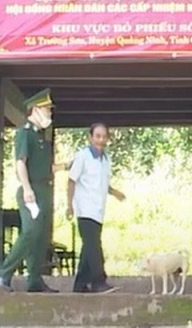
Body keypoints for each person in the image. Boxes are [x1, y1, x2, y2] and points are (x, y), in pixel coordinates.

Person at [0, 89, 56, 293]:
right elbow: (20, 163)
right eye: (46, 109)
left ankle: (35, 279)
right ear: (36, 109)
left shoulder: (42, 137)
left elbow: (46, 167)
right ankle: (4, 273)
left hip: (44, 188)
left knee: (40, 236)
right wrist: (27, 188)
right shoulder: (24, 133)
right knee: (29, 232)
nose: (49, 113)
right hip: (31, 189)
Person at [66, 123, 125, 294]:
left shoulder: (106, 160)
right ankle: (99, 280)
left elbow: (103, 184)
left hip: (99, 209)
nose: (101, 140)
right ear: (90, 137)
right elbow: (71, 180)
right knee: (94, 245)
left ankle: (80, 285)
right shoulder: (82, 156)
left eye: (104, 136)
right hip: (84, 208)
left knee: (88, 247)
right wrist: (69, 205)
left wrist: (115, 193)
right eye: (97, 136)